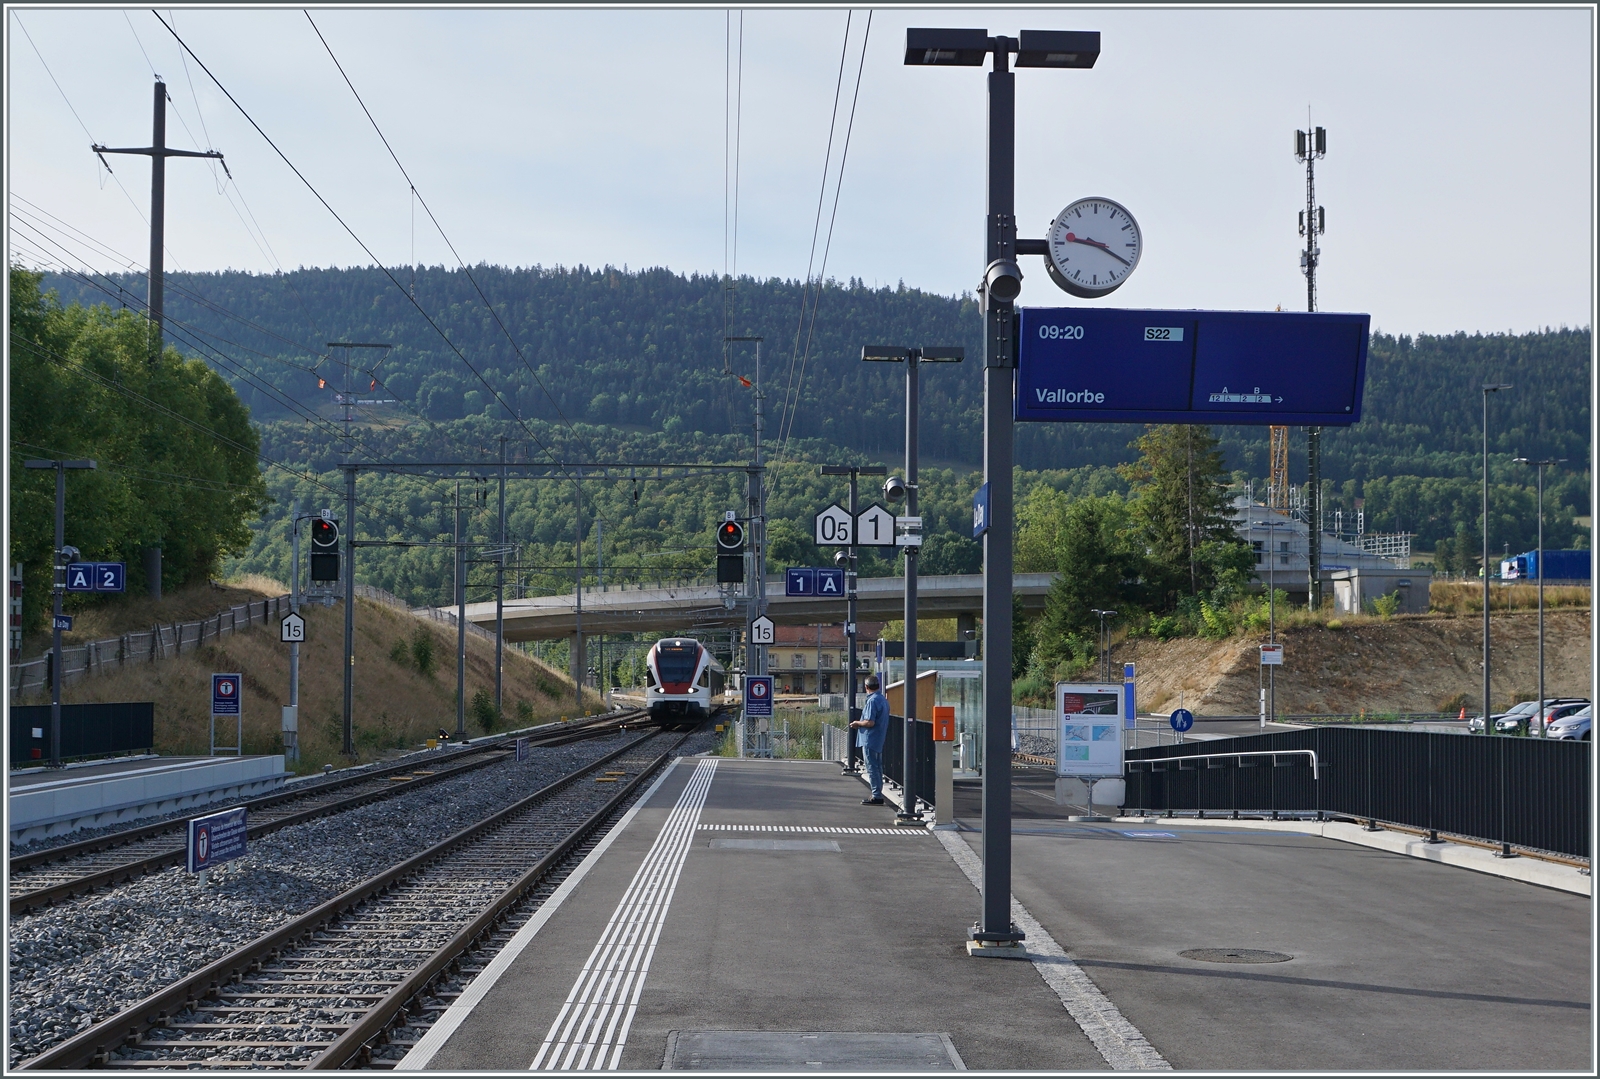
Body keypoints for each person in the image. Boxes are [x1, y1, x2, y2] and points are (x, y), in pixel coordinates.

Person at [850, 674, 889, 805]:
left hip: (870, 738)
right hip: (879, 738)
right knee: (878, 766)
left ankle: (876, 795)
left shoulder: (872, 701)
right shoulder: (882, 699)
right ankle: (878, 792)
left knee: (872, 767)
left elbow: (869, 722)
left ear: (866, 687)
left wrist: (857, 723)